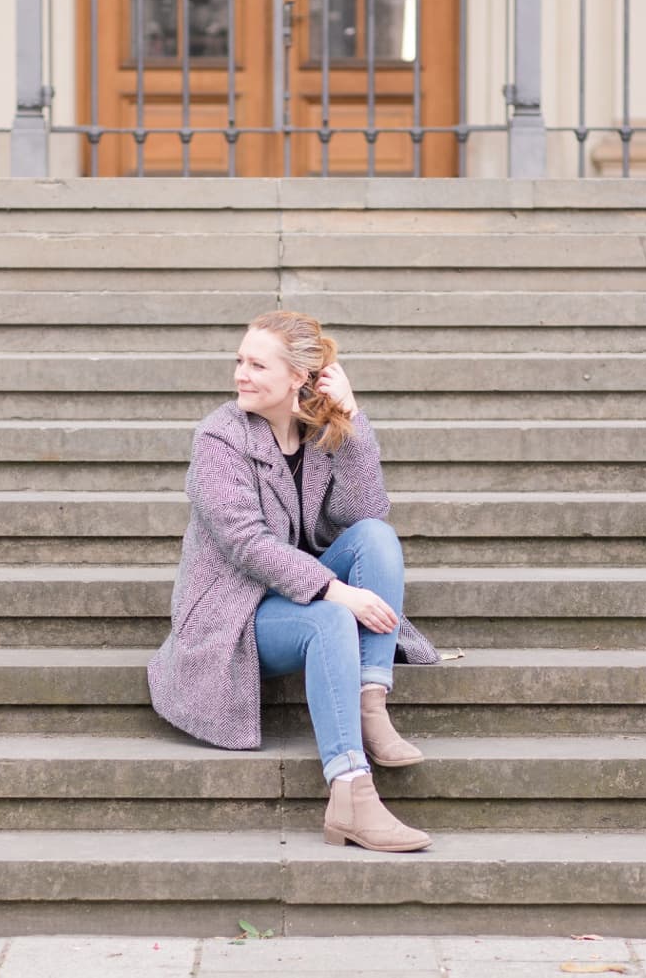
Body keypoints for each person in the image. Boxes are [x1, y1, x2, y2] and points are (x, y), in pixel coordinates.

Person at [147, 310, 440, 852]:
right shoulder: (220, 438)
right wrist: (335, 590)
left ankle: (369, 700)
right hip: (234, 612)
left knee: (376, 536)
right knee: (330, 618)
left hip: (296, 594)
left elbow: (365, 509)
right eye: (240, 361)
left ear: (298, 378)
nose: (241, 374)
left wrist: (352, 418)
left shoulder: (319, 432)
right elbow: (246, 543)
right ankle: (352, 791)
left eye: (257, 365)